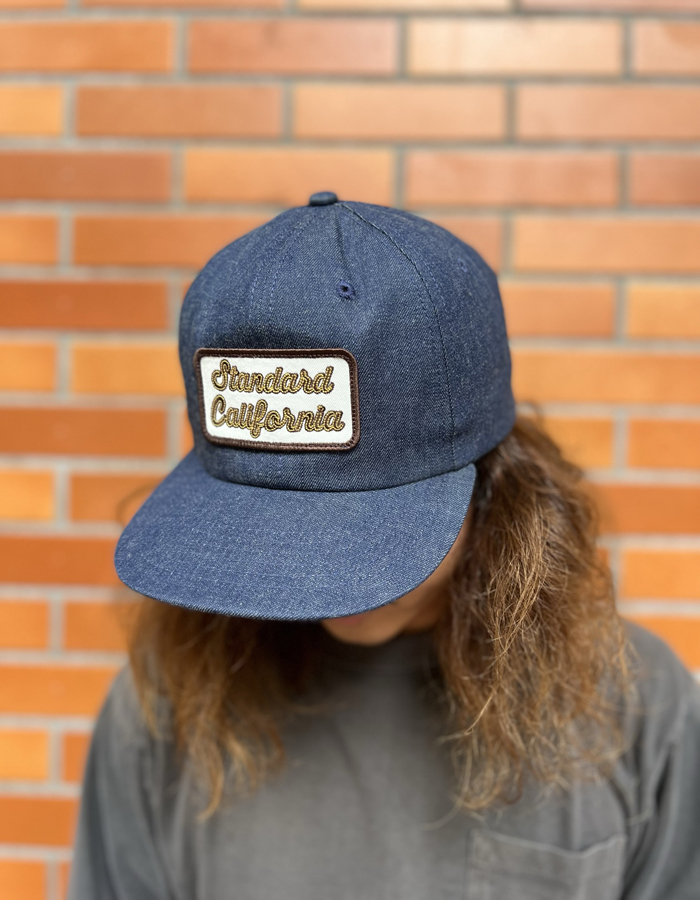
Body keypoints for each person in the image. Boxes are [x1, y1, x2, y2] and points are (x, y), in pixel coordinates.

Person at [67, 193, 700, 900]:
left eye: (359, 534)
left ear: (497, 486)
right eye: (261, 530)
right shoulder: (165, 706)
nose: (312, 576)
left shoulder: (637, 709)